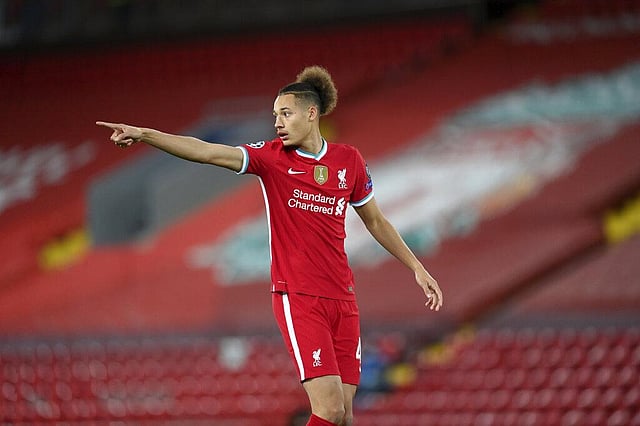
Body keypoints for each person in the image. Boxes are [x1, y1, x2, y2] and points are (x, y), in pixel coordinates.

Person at [97, 65, 442, 426]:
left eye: (285, 113)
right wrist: (146, 135)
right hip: (300, 295)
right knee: (328, 410)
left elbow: (376, 221)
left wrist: (417, 268)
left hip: (343, 296)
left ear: (311, 113)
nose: (277, 122)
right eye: (275, 115)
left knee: (345, 415)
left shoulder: (349, 160)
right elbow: (208, 152)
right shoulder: (271, 158)